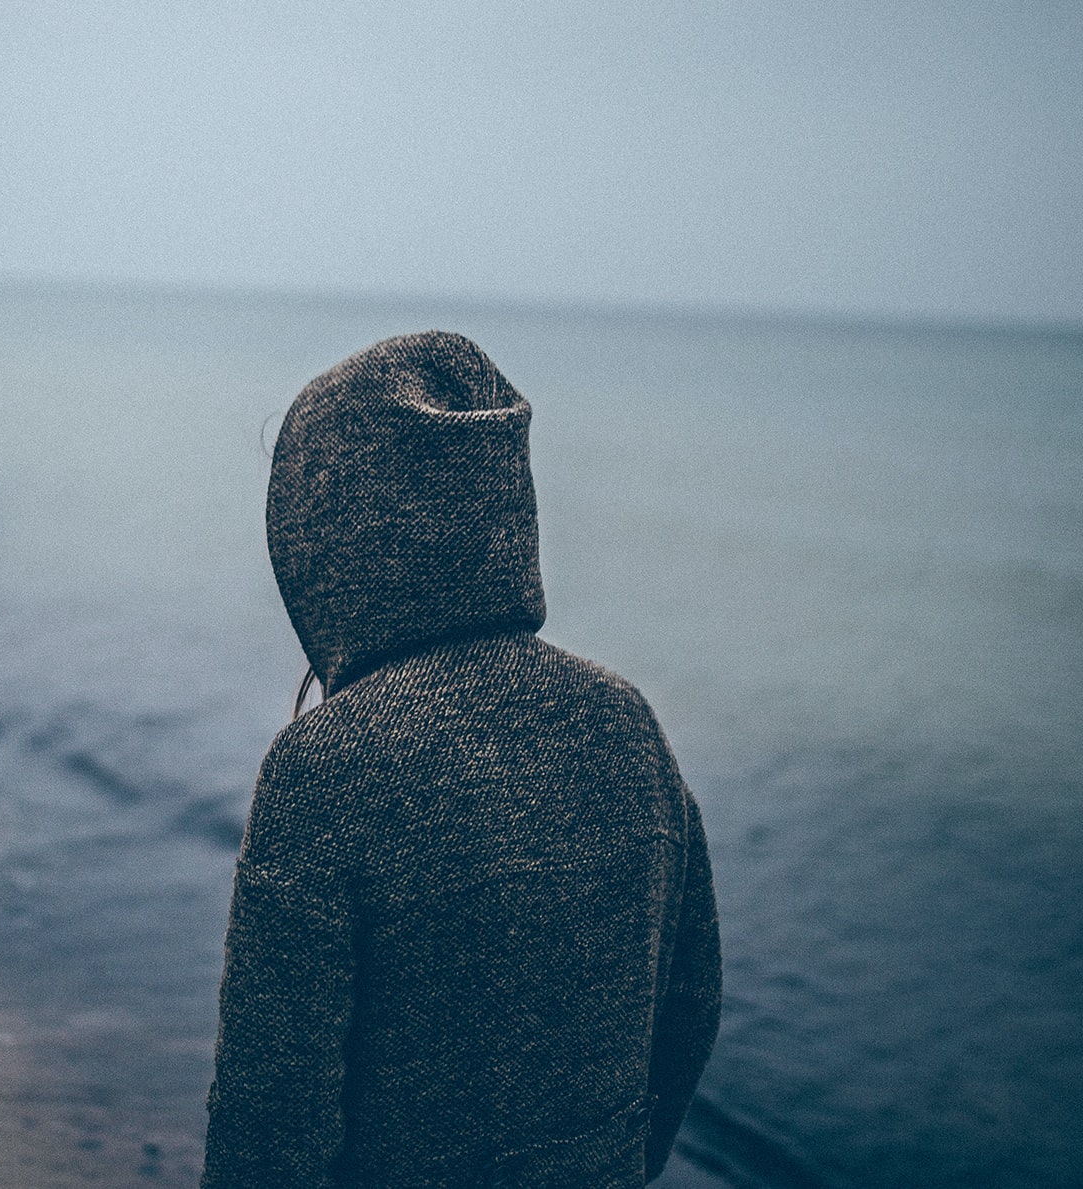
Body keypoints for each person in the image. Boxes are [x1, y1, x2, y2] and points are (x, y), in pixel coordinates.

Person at [202, 331, 720, 1189]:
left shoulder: (328, 768)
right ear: (503, 505)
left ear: (326, 536)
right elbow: (691, 1011)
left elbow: (269, 1124)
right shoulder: (626, 724)